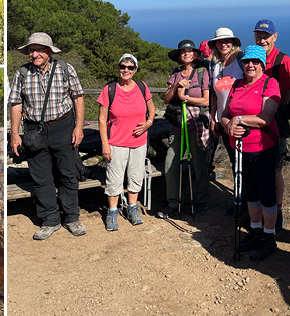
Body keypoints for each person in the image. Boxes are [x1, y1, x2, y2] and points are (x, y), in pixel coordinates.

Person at [9, 32, 87, 240]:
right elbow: (16, 104)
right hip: (34, 130)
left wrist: (78, 127)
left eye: (40, 50)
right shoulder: (22, 73)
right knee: (41, 177)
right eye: (32, 50)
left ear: (49, 51)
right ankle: (50, 219)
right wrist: (15, 134)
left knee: (68, 173)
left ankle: (71, 217)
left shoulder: (64, 69)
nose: (35, 54)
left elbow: (78, 98)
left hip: (63, 126)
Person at [221, 45, 281, 260]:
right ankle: (255, 231)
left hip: (263, 147)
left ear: (263, 65)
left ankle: (269, 237)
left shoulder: (270, 84)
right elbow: (225, 114)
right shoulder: (237, 84)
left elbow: (265, 117)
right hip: (240, 148)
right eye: (247, 61)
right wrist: (228, 125)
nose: (250, 65)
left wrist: (238, 120)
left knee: (266, 193)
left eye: (255, 62)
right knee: (250, 193)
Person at [97, 54, 156, 231]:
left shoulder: (141, 86)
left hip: (138, 142)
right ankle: (112, 211)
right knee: (114, 179)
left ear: (135, 69)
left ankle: (132, 208)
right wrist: (105, 144)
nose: (126, 70)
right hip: (116, 142)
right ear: (118, 68)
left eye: (130, 67)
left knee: (136, 176)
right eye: (123, 66)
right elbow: (101, 119)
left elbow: (151, 108)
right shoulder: (109, 89)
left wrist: (149, 123)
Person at [157, 39, 212, 219]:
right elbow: (166, 99)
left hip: (196, 124)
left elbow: (206, 101)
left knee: (199, 165)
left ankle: (201, 201)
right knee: (170, 164)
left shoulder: (203, 72)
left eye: (189, 51)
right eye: (183, 52)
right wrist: (177, 87)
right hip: (177, 125)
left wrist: (186, 98)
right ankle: (174, 202)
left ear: (195, 54)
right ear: (180, 57)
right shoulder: (176, 73)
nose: (186, 54)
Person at [252, 19, 290, 230]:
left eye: (266, 36)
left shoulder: (282, 60)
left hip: (276, 124)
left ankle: (276, 211)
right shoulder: (252, 59)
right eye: (259, 35)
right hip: (255, 125)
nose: (262, 39)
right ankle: (258, 211)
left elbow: (286, 97)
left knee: (275, 169)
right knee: (258, 169)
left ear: (274, 37)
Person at [206, 27, 245, 214]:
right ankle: (239, 201)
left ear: (233, 43)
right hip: (222, 121)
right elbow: (214, 95)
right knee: (234, 162)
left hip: (239, 121)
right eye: (220, 41)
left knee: (242, 162)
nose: (224, 44)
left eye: (227, 40)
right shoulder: (214, 65)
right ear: (215, 45)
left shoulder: (241, 61)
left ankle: (245, 202)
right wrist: (214, 119)